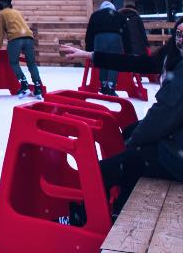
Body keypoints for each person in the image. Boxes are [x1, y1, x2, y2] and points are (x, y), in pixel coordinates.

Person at [59, 16, 183, 217]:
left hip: (177, 156)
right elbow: (138, 62)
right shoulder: (174, 57)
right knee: (129, 137)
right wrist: (92, 55)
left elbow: (164, 115)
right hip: (176, 142)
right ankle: (120, 205)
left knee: (103, 169)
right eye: (179, 34)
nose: (181, 41)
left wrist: (134, 142)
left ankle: (84, 218)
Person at [0, 0, 44, 98]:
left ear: (1, 4)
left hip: (15, 39)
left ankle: (24, 85)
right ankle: (38, 87)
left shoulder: (1, 14)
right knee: (31, 63)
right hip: (29, 37)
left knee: (14, 62)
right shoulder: (17, 12)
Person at [85, 0, 127, 95]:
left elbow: (89, 33)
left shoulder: (95, 15)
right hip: (116, 39)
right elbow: (126, 33)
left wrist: (89, 49)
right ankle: (111, 87)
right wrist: (128, 48)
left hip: (99, 39)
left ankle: (103, 86)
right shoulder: (119, 15)